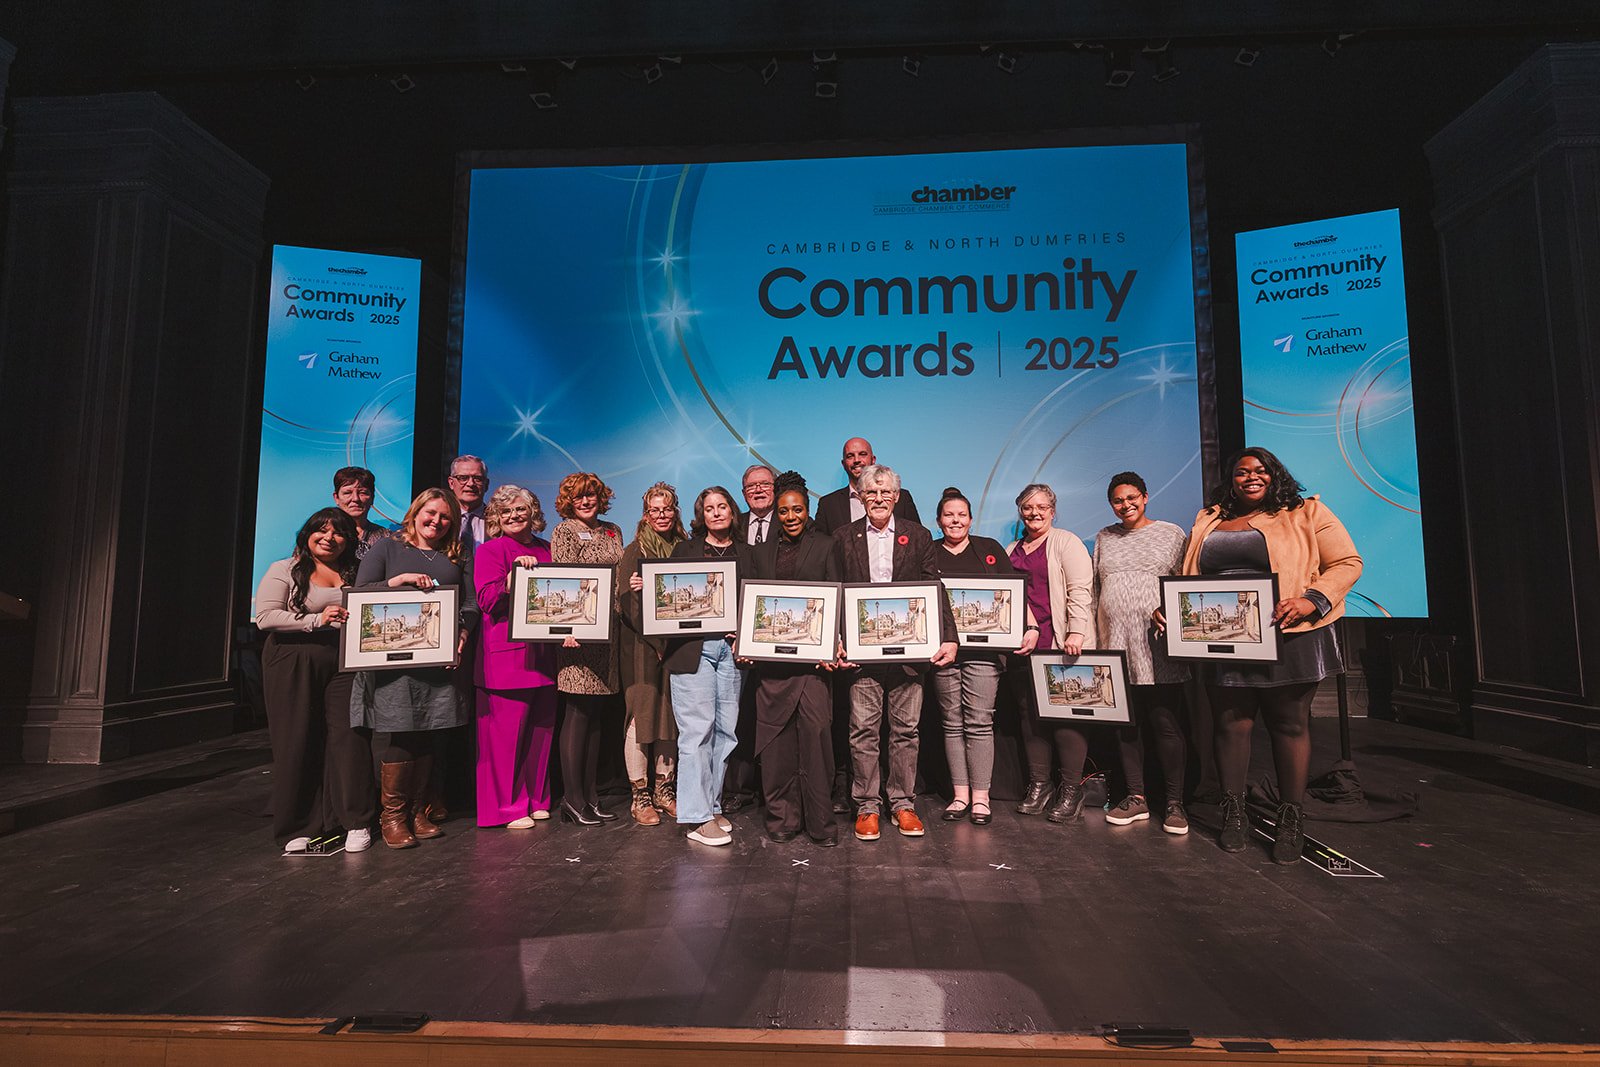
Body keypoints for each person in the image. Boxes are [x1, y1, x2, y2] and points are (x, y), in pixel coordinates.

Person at [1174, 447, 1362, 862]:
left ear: (1274, 474)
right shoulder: (1209, 518)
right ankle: (1233, 813)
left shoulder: (1306, 512)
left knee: (1289, 725)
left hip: (1290, 634)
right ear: (1231, 478)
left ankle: (1291, 818)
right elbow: (1190, 575)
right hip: (1223, 638)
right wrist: (1172, 609)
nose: (1251, 478)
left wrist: (1312, 600)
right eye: (1242, 472)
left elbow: (1348, 563)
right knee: (1230, 724)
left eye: (1260, 471)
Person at [833, 464, 957, 841]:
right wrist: (834, 640)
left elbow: (934, 588)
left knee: (906, 731)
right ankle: (867, 805)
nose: (879, 499)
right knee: (863, 732)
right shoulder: (843, 537)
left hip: (908, 654)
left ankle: (903, 803)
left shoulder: (917, 535)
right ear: (862, 497)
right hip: (862, 654)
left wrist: (949, 636)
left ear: (897, 497)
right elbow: (835, 591)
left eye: (886, 492)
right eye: (872, 493)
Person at [352, 488, 477, 849]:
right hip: (397, 664)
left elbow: (469, 602)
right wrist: (399, 581)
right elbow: (361, 593)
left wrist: (464, 633)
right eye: (430, 513)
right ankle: (392, 816)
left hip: (439, 660)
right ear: (416, 512)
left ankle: (418, 811)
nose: (436, 521)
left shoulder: (455, 553)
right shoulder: (388, 547)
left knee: (431, 733)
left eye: (444, 517)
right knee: (403, 734)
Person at [256, 507, 375, 853]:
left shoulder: (355, 571)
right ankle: (297, 826)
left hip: (344, 660)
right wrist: (316, 619)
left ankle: (356, 820)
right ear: (307, 535)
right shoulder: (285, 569)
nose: (329, 538)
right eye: (321, 530)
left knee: (351, 735)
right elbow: (265, 617)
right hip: (293, 658)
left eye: (338, 532)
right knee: (297, 738)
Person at [1093, 472, 1191, 835]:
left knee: (1165, 724)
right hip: (1114, 642)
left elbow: (1185, 584)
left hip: (1158, 647)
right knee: (1126, 726)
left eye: (1132, 498)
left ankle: (1174, 802)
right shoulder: (1105, 537)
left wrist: (1178, 622)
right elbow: (1094, 587)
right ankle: (1136, 797)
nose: (1126, 505)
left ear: (1146, 497)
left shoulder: (1172, 533)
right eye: (1118, 500)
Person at [747, 472, 842, 846]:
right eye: (784, 510)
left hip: (814, 667)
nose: (790, 516)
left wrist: (834, 640)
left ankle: (821, 823)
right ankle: (782, 820)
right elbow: (750, 605)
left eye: (797, 509)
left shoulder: (826, 546)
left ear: (807, 510)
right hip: (772, 669)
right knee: (777, 747)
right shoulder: (759, 552)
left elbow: (837, 596)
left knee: (817, 740)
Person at [924, 488, 1016, 828]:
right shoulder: (929, 553)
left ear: (971, 519)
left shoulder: (989, 549)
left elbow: (1012, 596)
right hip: (943, 653)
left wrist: (1030, 626)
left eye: (961, 514)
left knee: (979, 722)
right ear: (939, 520)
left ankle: (981, 797)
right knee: (951, 724)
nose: (955, 520)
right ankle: (959, 794)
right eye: (949, 515)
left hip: (984, 654)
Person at [1006, 483, 1097, 823]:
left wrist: (1077, 630)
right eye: (1028, 507)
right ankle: (1040, 785)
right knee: (1030, 719)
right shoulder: (1011, 548)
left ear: (1053, 510)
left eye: (1042, 506)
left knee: (1065, 719)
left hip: (1061, 645)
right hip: (1024, 647)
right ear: (1020, 511)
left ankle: (1072, 790)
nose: (1035, 512)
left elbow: (1080, 590)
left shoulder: (1066, 542)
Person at [665, 485, 749, 846]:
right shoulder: (684, 550)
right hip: (692, 651)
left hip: (731, 652)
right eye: (709, 508)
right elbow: (666, 598)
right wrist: (643, 588)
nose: (716, 513)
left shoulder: (748, 553)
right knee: (696, 731)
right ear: (702, 516)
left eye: (722, 506)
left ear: (732, 511)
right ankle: (696, 818)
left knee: (725, 733)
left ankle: (711, 805)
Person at [473, 484, 558, 829]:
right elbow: (487, 601)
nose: (513, 516)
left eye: (520, 510)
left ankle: (538, 799)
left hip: (545, 656)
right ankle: (509, 807)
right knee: (507, 738)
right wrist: (512, 579)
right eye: (505, 512)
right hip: (507, 659)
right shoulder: (491, 551)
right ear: (496, 517)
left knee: (541, 733)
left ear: (533, 513)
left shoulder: (548, 549)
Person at [549, 472, 625, 825]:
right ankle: (572, 799)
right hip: (578, 633)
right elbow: (564, 579)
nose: (585, 501)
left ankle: (591, 796)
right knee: (577, 712)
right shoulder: (564, 531)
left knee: (596, 716)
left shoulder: (613, 530)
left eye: (591, 494)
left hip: (608, 633)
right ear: (568, 500)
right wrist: (569, 628)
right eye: (578, 496)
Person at [617, 482, 686, 826]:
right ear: (645, 515)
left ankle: (664, 789)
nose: (661, 515)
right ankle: (639, 795)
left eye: (667, 509)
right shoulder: (635, 551)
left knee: (669, 719)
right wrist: (659, 642)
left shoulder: (685, 549)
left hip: (676, 650)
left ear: (675, 513)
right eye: (654, 510)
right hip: (642, 650)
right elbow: (628, 604)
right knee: (641, 718)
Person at [724, 463, 778, 815]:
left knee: (773, 714)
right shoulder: (734, 526)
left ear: (774, 488)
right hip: (736, 636)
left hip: (777, 633)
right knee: (739, 716)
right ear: (743, 493)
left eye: (764, 484)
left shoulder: (793, 521)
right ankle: (740, 790)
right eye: (751, 487)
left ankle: (774, 787)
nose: (758, 490)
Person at [813, 437, 921, 535]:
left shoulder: (902, 497)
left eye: (862, 454)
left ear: (873, 460)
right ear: (843, 463)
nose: (857, 460)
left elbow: (918, 537)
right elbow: (820, 547)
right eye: (850, 456)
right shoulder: (828, 504)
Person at [332, 466, 390, 558]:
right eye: (347, 493)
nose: (355, 499)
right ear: (336, 498)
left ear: (372, 498)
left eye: (362, 492)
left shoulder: (387, 538)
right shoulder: (324, 537)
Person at [449, 455, 491, 556]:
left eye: (477, 478)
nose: (471, 484)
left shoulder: (499, 521)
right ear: (451, 483)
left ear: (486, 485)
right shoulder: (439, 520)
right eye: (463, 478)